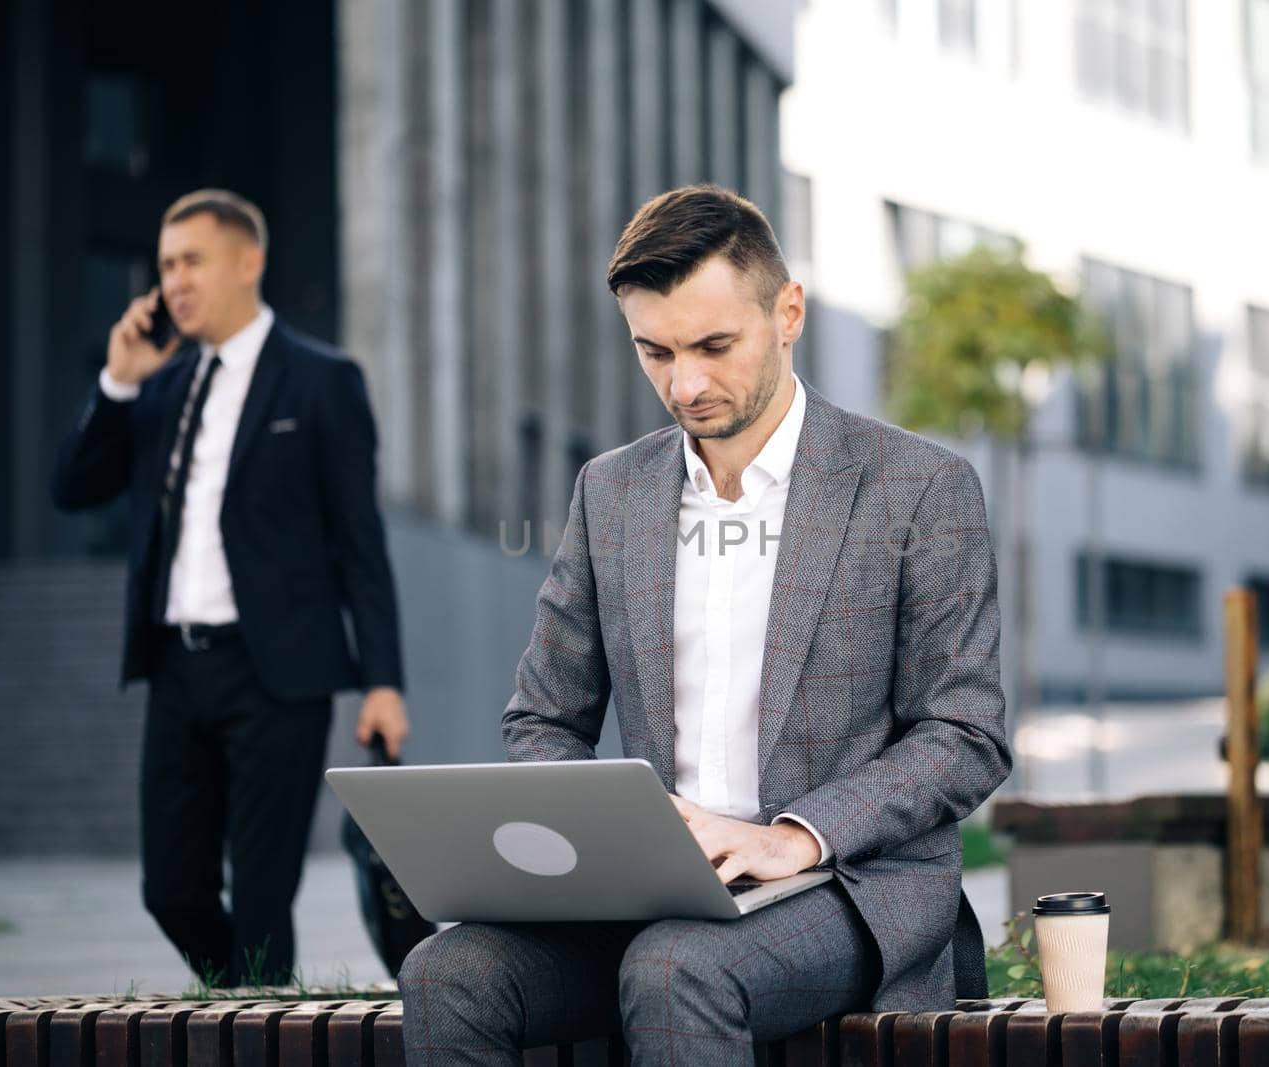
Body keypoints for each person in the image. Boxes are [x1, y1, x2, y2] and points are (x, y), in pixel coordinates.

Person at [398, 184, 1009, 1064]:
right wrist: (618, 832)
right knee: (447, 975)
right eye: (655, 351)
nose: (685, 383)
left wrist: (791, 835)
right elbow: (542, 718)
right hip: (651, 893)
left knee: (676, 967)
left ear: (787, 311)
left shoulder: (917, 486)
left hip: (847, 885)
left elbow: (966, 731)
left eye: (715, 346)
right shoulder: (609, 493)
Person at [51, 189, 409, 987]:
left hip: (277, 675)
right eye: (166, 264)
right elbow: (71, 489)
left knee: (260, 897)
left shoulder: (323, 381)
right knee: (169, 890)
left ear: (249, 261)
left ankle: (253, 1022)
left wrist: (382, 680)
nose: (174, 279)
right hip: (178, 670)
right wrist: (115, 382)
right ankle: (246, 1005)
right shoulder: (159, 388)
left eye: (192, 260)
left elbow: (360, 542)